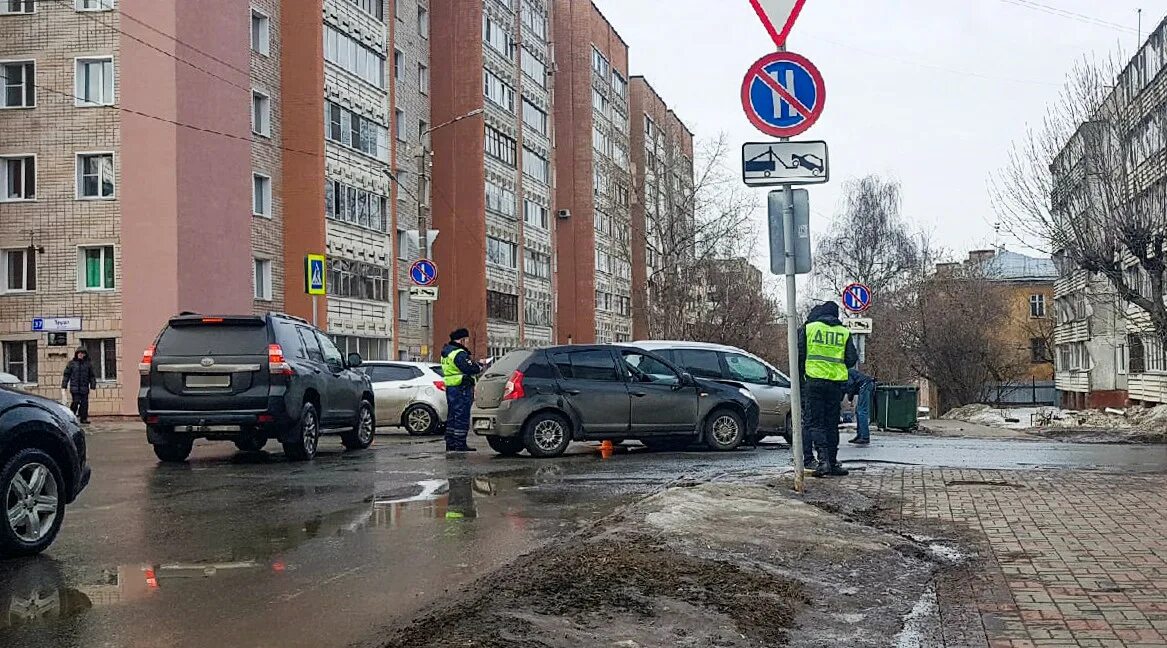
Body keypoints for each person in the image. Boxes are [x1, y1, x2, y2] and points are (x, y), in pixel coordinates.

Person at [796, 301, 858, 477]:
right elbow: (851, 358)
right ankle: (832, 461)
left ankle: (822, 462)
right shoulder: (843, 332)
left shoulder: (810, 328)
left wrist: (802, 381)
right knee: (832, 424)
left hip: (814, 382)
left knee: (816, 423)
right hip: (835, 384)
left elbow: (799, 356)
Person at [441, 328, 482, 452]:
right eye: (467, 340)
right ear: (462, 340)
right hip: (461, 386)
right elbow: (469, 368)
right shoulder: (459, 353)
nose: (468, 343)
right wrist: (478, 367)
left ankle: (450, 443)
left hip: (451, 387)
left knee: (452, 415)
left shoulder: (447, 352)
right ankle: (460, 444)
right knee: (461, 416)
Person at [62, 348, 96, 424]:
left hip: (84, 387)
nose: (80, 354)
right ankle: (71, 417)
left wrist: (93, 385)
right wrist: (64, 386)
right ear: (76, 354)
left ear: (85, 354)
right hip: (75, 387)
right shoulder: (72, 363)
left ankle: (83, 418)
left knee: (84, 404)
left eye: (82, 353)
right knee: (75, 402)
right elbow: (66, 375)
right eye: (79, 353)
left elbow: (92, 376)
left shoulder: (88, 364)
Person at [845, 367, 875, 445]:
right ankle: (860, 435)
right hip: (866, 384)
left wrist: (849, 398)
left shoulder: (845, 372)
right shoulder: (846, 371)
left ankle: (864, 437)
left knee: (861, 411)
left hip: (864, 385)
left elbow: (850, 385)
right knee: (859, 411)